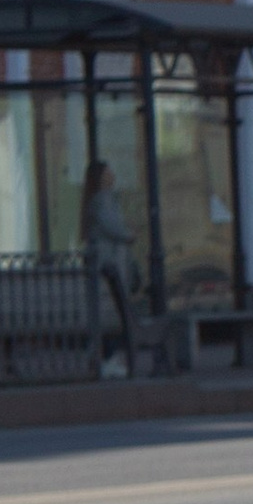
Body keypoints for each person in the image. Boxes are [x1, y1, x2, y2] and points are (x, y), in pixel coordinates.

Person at [81, 159, 138, 372]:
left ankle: (101, 358)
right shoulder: (103, 199)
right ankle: (108, 360)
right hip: (108, 267)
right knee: (113, 317)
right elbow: (112, 226)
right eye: (109, 171)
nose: (113, 174)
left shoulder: (97, 200)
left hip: (104, 267)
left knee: (108, 317)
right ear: (102, 177)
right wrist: (128, 235)